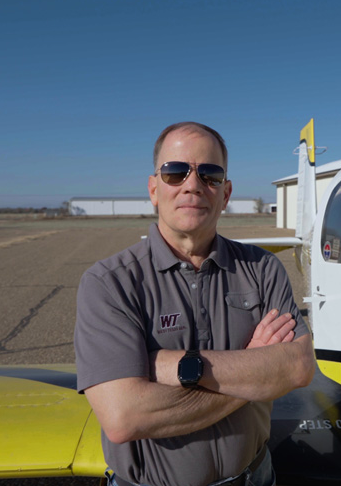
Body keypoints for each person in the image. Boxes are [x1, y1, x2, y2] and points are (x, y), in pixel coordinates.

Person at [75, 122, 315, 486]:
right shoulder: (109, 282)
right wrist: (255, 369)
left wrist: (173, 365)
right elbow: (124, 417)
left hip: (255, 477)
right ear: (154, 189)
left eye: (210, 174)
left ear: (225, 192)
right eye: (175, 172)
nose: (193, 185)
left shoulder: (262, 268)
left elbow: (297, 367)